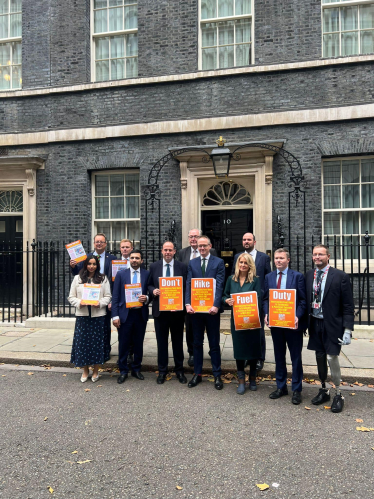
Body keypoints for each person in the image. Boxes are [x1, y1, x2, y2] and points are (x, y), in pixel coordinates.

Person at [306, 244, 354, 413]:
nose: (317, 257)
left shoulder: (340, 276)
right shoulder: (309, 275)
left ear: (328, 256)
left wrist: (348, 330)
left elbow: (348, 305)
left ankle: (338, 394)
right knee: (319, 357)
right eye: (314, 254)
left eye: (320, 254)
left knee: (332, 358)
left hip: (332, 325)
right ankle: (324, 389)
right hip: (315, 323)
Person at [263, 248, 307, 405]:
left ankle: (297, 389)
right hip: (276, 324)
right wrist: (266, 313)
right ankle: (281, 387)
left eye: (281, 258)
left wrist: (297, 316)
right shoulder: (269, 277)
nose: (278, 261)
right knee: (279, 356)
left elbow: (302, 301)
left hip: (293, 325)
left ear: (288, 260)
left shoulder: (298, 277)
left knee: (296, 357)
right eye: (276, 258)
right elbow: (266, 299)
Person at [185, 236, 225, 390]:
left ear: (210, 246)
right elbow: (189, 283)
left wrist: (216, 305)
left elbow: (220, 284)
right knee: (197, 343)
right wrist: (187, 303)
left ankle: (217, 375)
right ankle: (197, 374)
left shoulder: (218, 262)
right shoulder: (192, 263)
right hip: (196, 311)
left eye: (204, 246)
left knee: (214, 344)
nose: (201, 248)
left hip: (212, 311)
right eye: (199, 246)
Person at [70, 233, 116, 359]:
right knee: (89, 330)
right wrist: (73, 266)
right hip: (87, 298)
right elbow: (80, 273)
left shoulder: (113, 258)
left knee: (105, 327)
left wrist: (112, 299)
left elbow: (116, 279)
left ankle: (105, 351)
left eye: (102, 241)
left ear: (105, 244)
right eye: (97, 241)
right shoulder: (87, 257)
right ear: (94, 243)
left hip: (104, 296)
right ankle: (89, 353)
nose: (99, 243)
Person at [148, 241, 188, 384]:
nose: (168, 252)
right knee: (162, 343)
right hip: (161, 312)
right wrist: (153, 290)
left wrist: (181, 301)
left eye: (170, 250)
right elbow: (149, 284)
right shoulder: (154, 266)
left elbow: (186, 287)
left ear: (175, 251)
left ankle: (179, 370)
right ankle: (162, 371)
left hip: (177, 312)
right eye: (165, 250)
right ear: (161, 251)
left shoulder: (182, 267)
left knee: (177, 343)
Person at [177, 228, 217, 368]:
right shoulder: (182, 253)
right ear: (188, 238)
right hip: (192, 300)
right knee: (190, 328)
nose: (193, 239)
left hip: (209, 300)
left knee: (211, 331)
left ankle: (213, 352)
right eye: (191, 236)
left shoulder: (212, 254)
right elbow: (182, 276)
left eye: (196, 236)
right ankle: (192, 353)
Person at [222, 253, 262, 395]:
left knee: (252, 349)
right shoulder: (231, 280)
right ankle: (240, 380)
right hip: (237, 321)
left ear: (250, 265)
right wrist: (226, 301)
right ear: (237, 264)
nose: (243, 265)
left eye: (246, 263)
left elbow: (259, 298)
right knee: (239, 350)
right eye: (241, 262)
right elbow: (224, 295)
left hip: (251, 320)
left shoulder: (255, 280)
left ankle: (252, 378)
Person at [68, 255, 112, 382]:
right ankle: (85, 370)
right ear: (85, 265)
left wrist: (100, 303)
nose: (91, 266)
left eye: (94, 264)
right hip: (83, 315)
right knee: (83, 343)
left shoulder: (103, 278)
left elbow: (108, 296)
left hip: (98, 315)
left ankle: (96, 370)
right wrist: (79, 302)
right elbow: (71, 297)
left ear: (97, 265)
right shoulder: (77, 278)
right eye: (89, 264)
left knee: (96, 343)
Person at [232, 232, 271, 372]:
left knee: (258, 331)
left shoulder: (264, 257)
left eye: (249, 239)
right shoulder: (238, 257)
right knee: (244, 330)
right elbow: (234, 276)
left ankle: (260, 358)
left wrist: (264, 298)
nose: (246, 241)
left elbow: (268, 279)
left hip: (257, 301)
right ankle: (248, 356)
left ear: (254, 241)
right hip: (241, 303)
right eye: (244, 240)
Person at [111, 249, 151, 384]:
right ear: (129, 260)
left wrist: (147, 298)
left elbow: (150, 292)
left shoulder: (147, 274)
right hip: (124, 315)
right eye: (132, 258)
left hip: (140, 314)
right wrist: (114, 316)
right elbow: (115, 297)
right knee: (123, 344)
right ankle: (123, 371)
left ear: (142, 261)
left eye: (137, 258)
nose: (134, 260)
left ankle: (136, 369)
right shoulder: (121, 274)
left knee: (138, 344)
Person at [119, 238, 134, 365]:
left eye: (127, 247)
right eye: (123, 247)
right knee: (122, 333)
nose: (125, 249)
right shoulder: (115, 263)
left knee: (134, 332)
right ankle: (123, 357)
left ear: (131, 249)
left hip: (134, 302)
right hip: (122, 303)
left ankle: (131, 354)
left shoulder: (136, 262)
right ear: (120, 249)